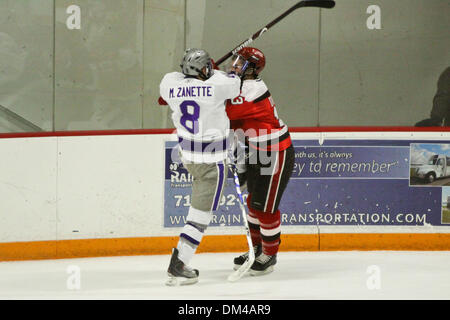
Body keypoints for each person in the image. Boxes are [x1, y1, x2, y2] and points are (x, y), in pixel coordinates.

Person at [159, 48, 241, 286]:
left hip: (189, 158)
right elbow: (234, 80)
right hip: (212, 163)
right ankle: (179, 264)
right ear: (204, 69)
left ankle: (180, 261)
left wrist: (204, 71)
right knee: (199, 216)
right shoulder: (218, 85)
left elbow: (179, 79)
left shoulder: (168, 83)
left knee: (198, 211)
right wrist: (212, 71)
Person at [225, 47, 295, 276]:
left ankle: (270, 255)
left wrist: (207, 84)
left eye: (241, 62)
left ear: (252, 69)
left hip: (276, 152)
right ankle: (256, 249)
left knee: (265, 208)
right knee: (254, 203)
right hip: (257, 150)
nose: (234, 65)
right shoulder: (239, 85)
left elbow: (228, 113)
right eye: (235, 60)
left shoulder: (254, 88)